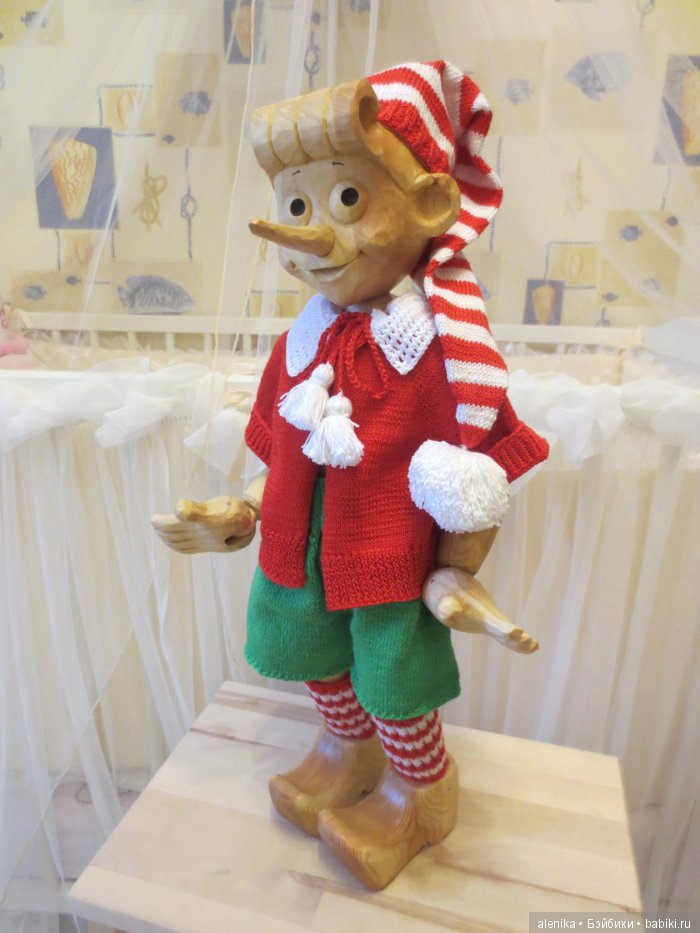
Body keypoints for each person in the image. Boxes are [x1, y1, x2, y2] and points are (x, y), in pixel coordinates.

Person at [153, 61, 548, 889]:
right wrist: (245, 510)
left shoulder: (441, 358)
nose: (309, 234)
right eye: (297, 206)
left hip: (388, 564)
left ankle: (421, 789)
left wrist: (457, 567)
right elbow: (283, 452)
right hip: (304, 554)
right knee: (312, 652)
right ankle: (346, 747)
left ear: (430, 205)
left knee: (395, 680)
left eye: (345, 198)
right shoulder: (301, 340)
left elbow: (475, 470)